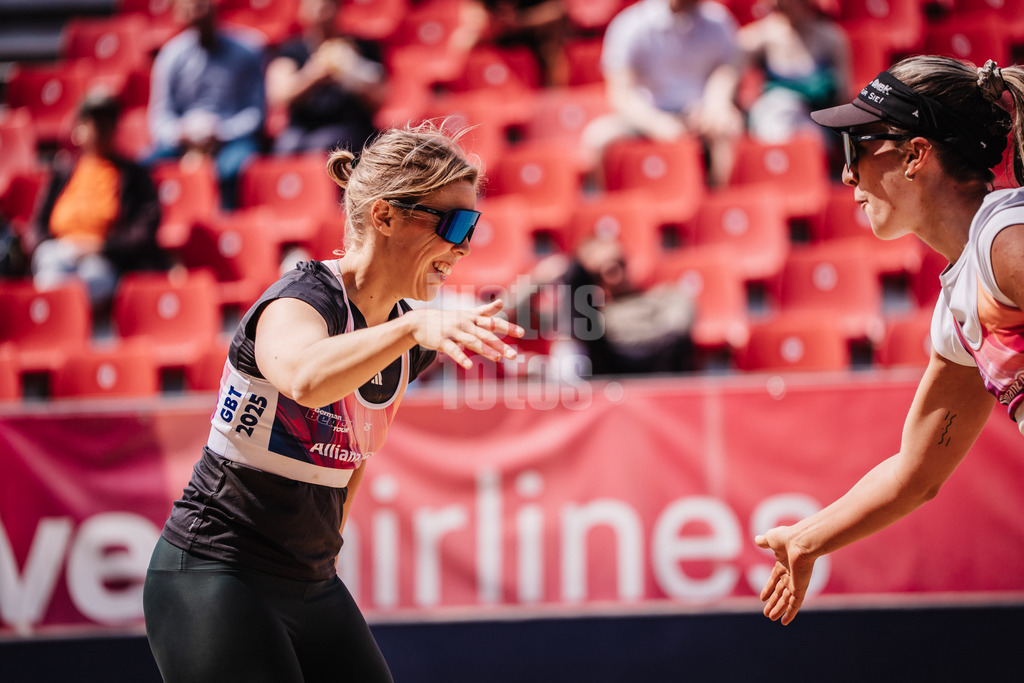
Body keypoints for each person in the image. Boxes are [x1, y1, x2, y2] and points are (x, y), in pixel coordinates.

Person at [142, 121, 524, 681]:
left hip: (311, 581)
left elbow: (354, 457)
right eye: (454, 224)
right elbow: (304, 378)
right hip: (215, 571)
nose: (464, 245)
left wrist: (323, 553)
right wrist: (411, 330)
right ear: (385, 216)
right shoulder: (302, 299)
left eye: (474, 225)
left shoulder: (404, 337)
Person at [755, 56, 1024, 625]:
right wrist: (807, 539)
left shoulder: (1005, 243)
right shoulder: (962, 302)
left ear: (914, 155)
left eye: (856, 147)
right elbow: (914, 475)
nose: (846, 175)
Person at [579, 0, 744, 188]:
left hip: (699, 113)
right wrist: (657, 124)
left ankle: (719, 200)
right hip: (647, 115)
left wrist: (715, 106)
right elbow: (621, 94)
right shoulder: (631, 23)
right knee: (597, 139)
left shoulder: (719, 21)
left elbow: (728, 69)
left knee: (728, 127)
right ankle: (607, 201)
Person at [27, 89, 166, 310]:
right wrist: (60, 245)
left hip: (104, 259)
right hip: (59, 252)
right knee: (50, 264)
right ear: (79, 128)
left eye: (107, 122)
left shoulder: (134, 175)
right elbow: (37, 227)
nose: (101, 128)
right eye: (94, 121)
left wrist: (101, 247)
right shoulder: (63, 172)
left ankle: (61, 317)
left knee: (92, 279)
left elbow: (143, 231)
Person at [145, 0, 265, 210]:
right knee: (144, 167)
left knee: (230, 169)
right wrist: (179, 133)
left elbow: (256, 113)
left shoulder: (247, 50)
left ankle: (227, 221)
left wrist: (222, 131)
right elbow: (161, 116)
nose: (197, 13)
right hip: (183, 141)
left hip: (231, 139)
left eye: (202, 6)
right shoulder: (171, 55)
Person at [266, 0, 387, 155]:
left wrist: (351, 72)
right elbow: (280, 96)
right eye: (312, 5)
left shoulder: (362, 47)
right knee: (285, 147)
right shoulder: (290, 51)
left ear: (338, 8)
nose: (319, 11)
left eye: (326, 5)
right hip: (302, 128)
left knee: (323, 146)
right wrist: (313, 74)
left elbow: (380, 100)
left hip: (349, 127)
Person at [737, 0, 851, 144]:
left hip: (815, 123)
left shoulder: (832, 39)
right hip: (773, 119)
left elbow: (843, 97)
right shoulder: (757, 37)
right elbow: (732, 77)